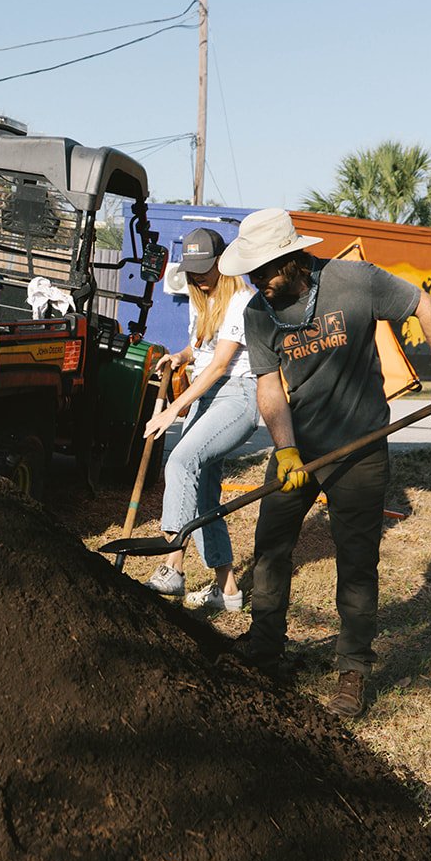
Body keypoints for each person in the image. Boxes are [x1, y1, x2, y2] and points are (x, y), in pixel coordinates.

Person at [216, 207, 431, 718]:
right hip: (298, 448)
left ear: (291, 259)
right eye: (251, 271)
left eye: (264, 270)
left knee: (355, 562)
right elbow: (269, 386)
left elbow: (423, 304)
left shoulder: (355, 281)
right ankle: (265, 647)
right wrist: (286, 448)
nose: (257, 281)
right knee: (270, 549)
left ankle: (352, 669)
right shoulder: (258, 312)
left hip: (360, 447)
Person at [142, 228, 258, 612]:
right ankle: (228, 592)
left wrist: (173, 409)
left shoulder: (241, 300)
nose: (198, 276)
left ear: (223, 264)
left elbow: (221, 364)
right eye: (193, 270)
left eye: (205, 268)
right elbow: (202, 348)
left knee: (180, 461)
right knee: (204, 496)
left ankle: (172, 566)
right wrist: (180, 356)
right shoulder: (201, 298)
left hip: (236, 396)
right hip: (205, 395)